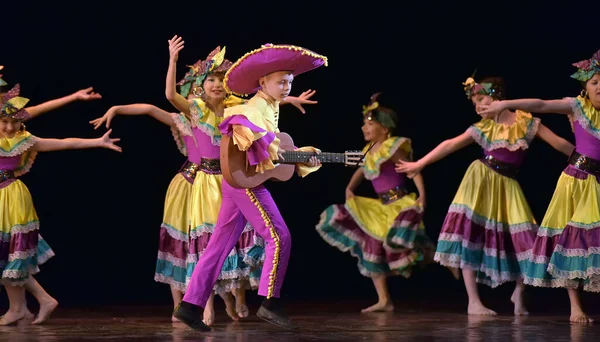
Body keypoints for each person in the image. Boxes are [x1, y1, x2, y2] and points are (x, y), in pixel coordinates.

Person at [173, 43, 328, 331]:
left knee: (218, 247)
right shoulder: (254, 107)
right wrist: (267, 147)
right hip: (245, 184)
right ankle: (270, 301)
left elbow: (272, 150)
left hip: (237, 183)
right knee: (279, 237)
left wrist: (298, 154)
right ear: (263, 82)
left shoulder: (270, 106)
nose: (286, 88)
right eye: (281, 82)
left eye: (289, 83)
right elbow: (239, 125)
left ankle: (191, 305)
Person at [396, 74, 574, 316]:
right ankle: (473, 301)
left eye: (481, 99)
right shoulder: (483, 128)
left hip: (508, 185)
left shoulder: (526, 122)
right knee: (471, 234)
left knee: (528, 241)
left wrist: (588, 159)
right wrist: (420, 163)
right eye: (474, 103)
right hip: (480, 180)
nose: (478, 106)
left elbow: (560, 143)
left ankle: (519, 292)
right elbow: (450, 144)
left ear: (497, 97)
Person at [476, 49, 600, 323]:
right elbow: (541, 104)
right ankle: (575, 307)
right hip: (577, 182)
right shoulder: (577, 107)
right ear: (585, 88)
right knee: (572, 240)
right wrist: (502, 104)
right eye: (595, 82)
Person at [0, 84, 121, 325]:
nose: (10, 127)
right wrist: (74, 96)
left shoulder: (24, 141)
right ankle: (21, 306)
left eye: (15, 122)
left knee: (10, 254)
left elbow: (64, 142)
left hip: (10, 199)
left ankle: (31, 303)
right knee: (8, 255)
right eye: (4, 122)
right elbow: (39, 109)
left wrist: (96, 142)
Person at [316, 93, 436, 313]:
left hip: (399, 204)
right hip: (380, 207)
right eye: (364, 123)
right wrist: (349, 188)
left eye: (369, 124)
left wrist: (422, 195)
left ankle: (437, 258)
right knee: (371, 247)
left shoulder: (392, 146)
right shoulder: (368, 151)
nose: (364, 127)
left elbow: (412, 170)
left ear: (384, 128)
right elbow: (361, 171)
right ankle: (384, 299)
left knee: (399, 244)